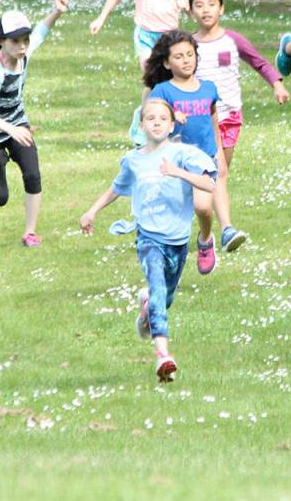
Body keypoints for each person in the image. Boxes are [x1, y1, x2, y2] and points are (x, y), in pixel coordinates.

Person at [80, 98, 217, 383]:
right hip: (148, 238)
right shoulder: (134, 160)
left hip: (178, 240)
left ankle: (147, 311)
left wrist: (177, 172)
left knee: (164, 299)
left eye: (162, 119)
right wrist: (92, 211)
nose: (156, 122)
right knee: (157, 290)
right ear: (141, 125)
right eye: (150, 118)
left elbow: (210, 184)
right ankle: (163, 355)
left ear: (172, 124)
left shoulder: (183, 153)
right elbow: (116, 188)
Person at [190, 0, 289, 249]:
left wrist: (277, 84)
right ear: (190, 13)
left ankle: (203, 230)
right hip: (201, 118)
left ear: (221, 8)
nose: (205, 10)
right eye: (198, 6)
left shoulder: (232, 40)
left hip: (231, 116)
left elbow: (259, 62)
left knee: (216, 175)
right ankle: (227, 230)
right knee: (218, 170)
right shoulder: (188, 45)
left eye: (211, 4)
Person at [89, 0, 203, 144]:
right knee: (152, 81)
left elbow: (194, 4)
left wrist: (192, 13)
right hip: (144, 34)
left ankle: (165, 123)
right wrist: (101, 18)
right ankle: (142, 123)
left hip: (169, 38)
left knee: (168, 83)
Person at [0, 0, 68, 248]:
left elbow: (42, 32)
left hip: (17, 125)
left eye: (25, 40)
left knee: (33, 174)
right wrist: (11, 130)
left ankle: (30, 232)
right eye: (16, 41)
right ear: (2, 41)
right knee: (0, 198)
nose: (23, 45)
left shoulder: (23, 54)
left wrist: (56, 12)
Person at [145, 29, 245, 269]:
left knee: (202, 207)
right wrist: (170, 115)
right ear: (167, 63)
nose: (186, 60)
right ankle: (167, 257)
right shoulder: (162, 91)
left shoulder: (208, 88)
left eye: (190, 54)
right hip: (174, 162)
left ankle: (205, 239)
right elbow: (150, 119)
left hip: (203, 161)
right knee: (172, 217)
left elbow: (213, 119)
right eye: (178, 56)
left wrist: (219, 151)